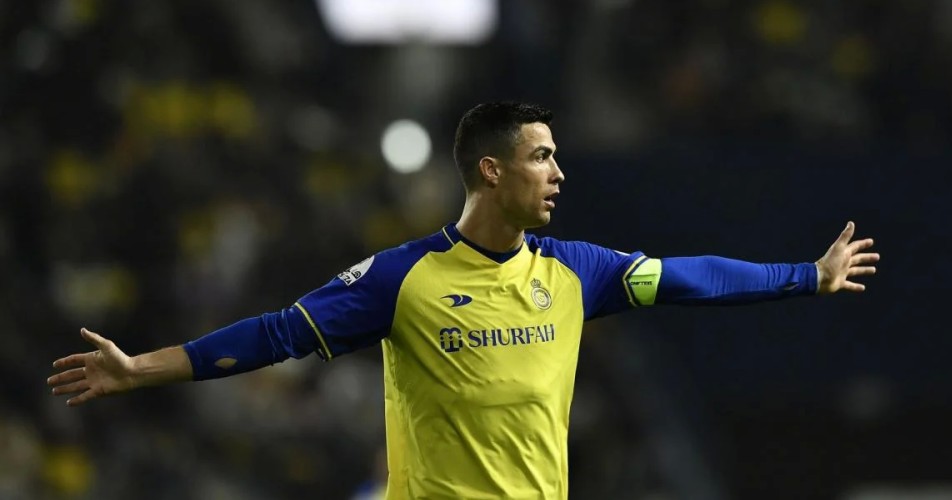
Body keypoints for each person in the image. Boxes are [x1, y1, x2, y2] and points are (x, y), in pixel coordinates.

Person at [48, 101, 879, 499]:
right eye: (542, 157)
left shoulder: (578, 272)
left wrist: (804, 275)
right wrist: (140, 370)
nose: (559, 173)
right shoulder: (399, 280)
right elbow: (277, 334)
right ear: (491, 170)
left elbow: (689, 278)